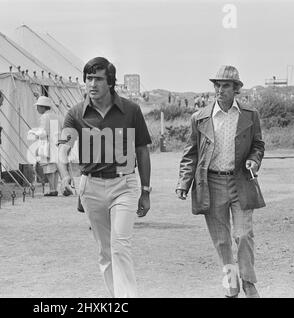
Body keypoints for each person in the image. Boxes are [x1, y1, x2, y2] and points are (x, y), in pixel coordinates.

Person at [58, 57, 152, 298]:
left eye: (98, 79)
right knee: (105, 251)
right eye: (88, 78)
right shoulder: (76, 113)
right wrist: (65, 175)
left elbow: (142, 150)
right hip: (91, 186)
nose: (92, 84)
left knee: (120, 245)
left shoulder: (131, 110)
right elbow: (63, 149)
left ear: (110, 82)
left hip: (124, 184)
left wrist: (146, 190)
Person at [175, 65, 265, 298]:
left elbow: (258, 145)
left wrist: (254, 161)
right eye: (217, 85)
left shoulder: (250, 114)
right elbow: (191, 152)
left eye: (225, 85)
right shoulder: (200, 117)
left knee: (243, 234)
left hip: (241, 181)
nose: (220, 89)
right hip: (211, 183)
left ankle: (248, 281)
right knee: (222, 241)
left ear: (236, 89)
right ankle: (232, 283)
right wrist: (183, 182)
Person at [30, 96, 61, 196]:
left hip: (47, 144)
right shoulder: (56, 116)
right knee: (55, 167)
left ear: (43, 107)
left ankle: (52, 189)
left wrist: (35, 133)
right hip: (57, 143)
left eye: (38, 106)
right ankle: (54, 188)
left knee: (48, 168)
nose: (37, 109)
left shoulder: (44, 117)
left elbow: (43, 132)